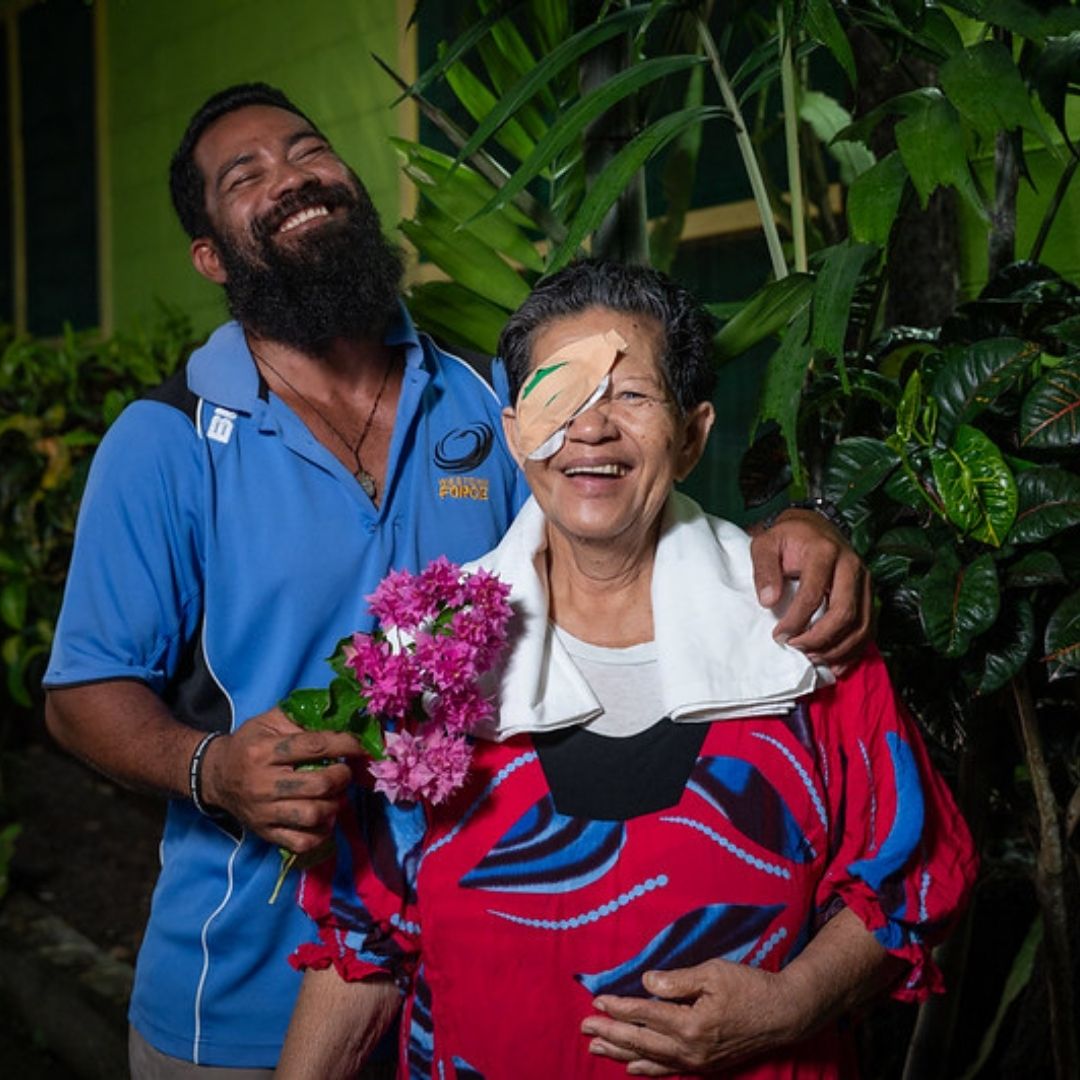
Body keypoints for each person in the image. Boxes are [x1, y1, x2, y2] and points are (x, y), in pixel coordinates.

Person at [42, 84, 870, 1075]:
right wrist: (208, 769)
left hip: (481, 982)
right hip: (241, 1001)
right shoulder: (170, 441)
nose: (291, 175)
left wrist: (796, 525)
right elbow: (79, 694)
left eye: (308, 150)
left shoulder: (490, 392)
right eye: (245, 175)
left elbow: (646, 523)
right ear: (212, 256)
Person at [280, 261, 977, 1080]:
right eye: (557, 396)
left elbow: (911, 874)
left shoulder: (800, 634)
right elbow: (366, 940)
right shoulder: (427, 665)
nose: (591, 428)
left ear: (692, 437)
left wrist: (797, 1003)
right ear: (513, 435)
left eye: (632, 397)